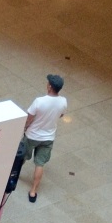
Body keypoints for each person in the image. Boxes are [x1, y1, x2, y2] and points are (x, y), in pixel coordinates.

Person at [23, 74, 66, 202]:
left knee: (22, 157)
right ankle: (33, 191)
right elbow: (61, 115)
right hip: (48, 137)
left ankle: (12, 177)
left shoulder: (39, 101)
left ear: (49, 86)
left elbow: (29, 118)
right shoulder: (63, 101)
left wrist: (25, 127)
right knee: (40, 163)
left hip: (32, 135)